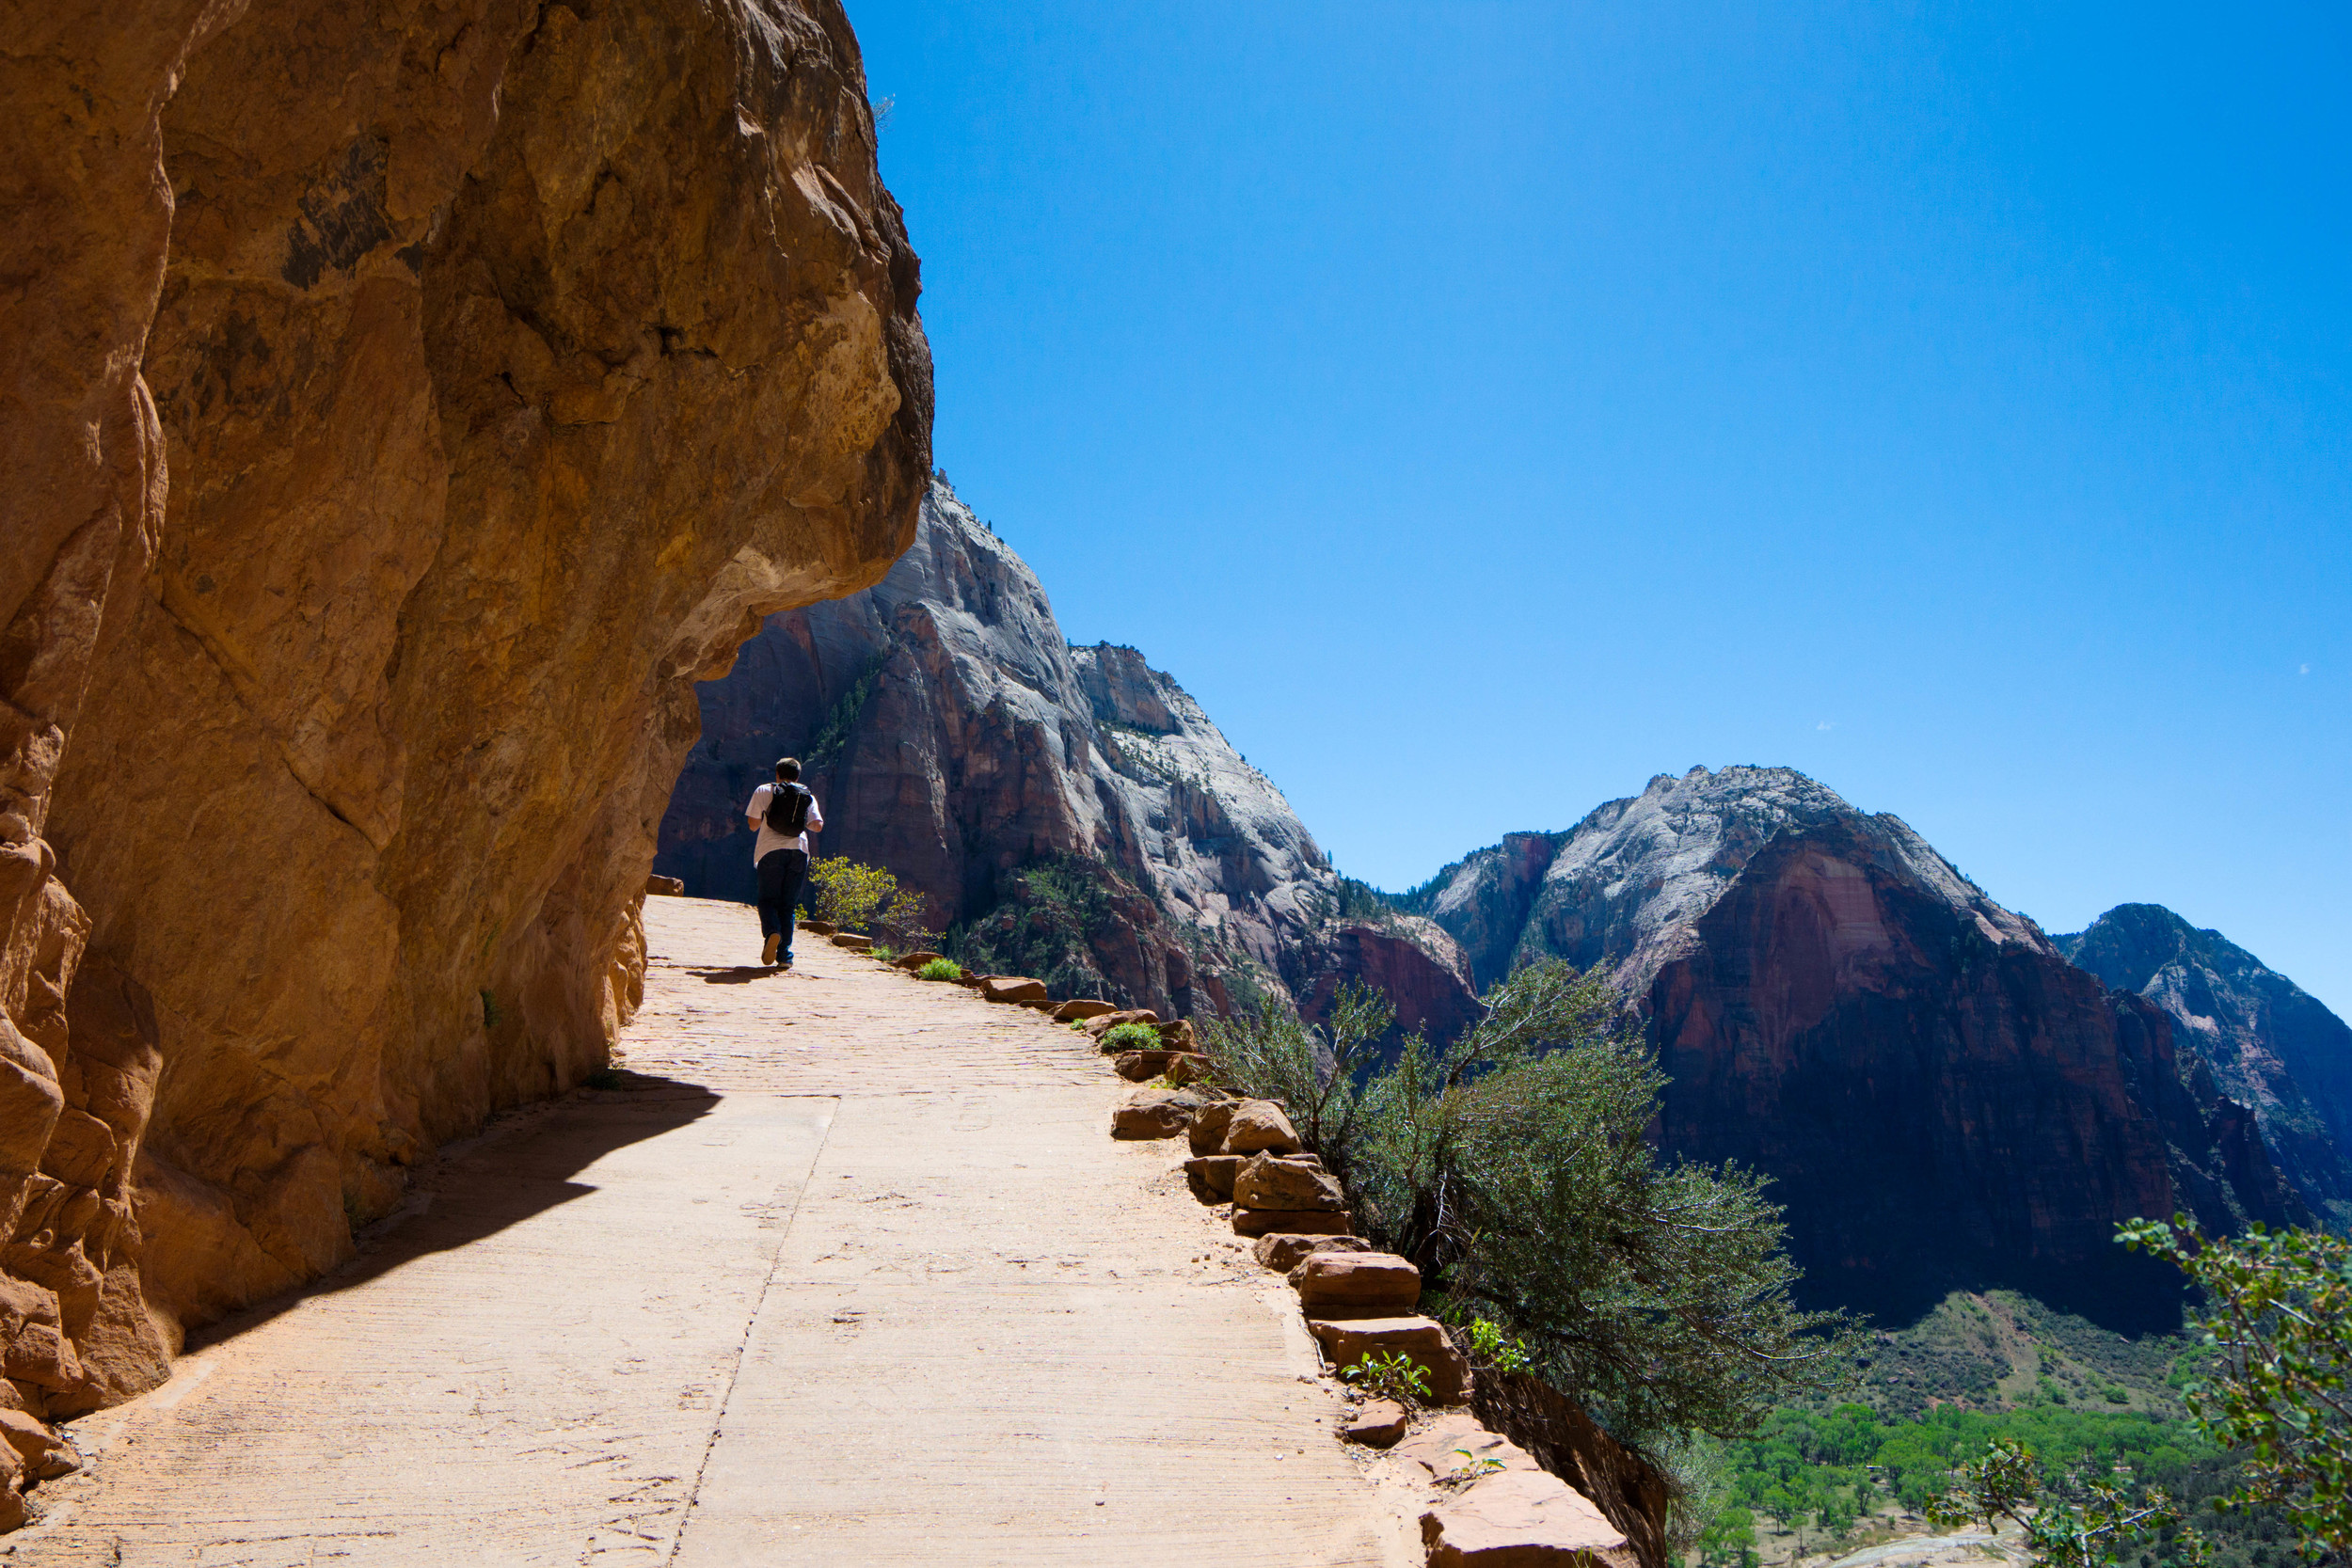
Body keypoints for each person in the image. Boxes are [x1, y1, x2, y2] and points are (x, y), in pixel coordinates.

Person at [744, 757, 822, 967]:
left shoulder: (764, 790)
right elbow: (817, 825)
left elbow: (753, 825)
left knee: (768, 900)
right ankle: (784, 956)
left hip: (770, 852)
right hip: (798, 852)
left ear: (777, 774)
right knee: (787, 905)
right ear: (798, 776)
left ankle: (772, 933)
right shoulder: (806, 795)